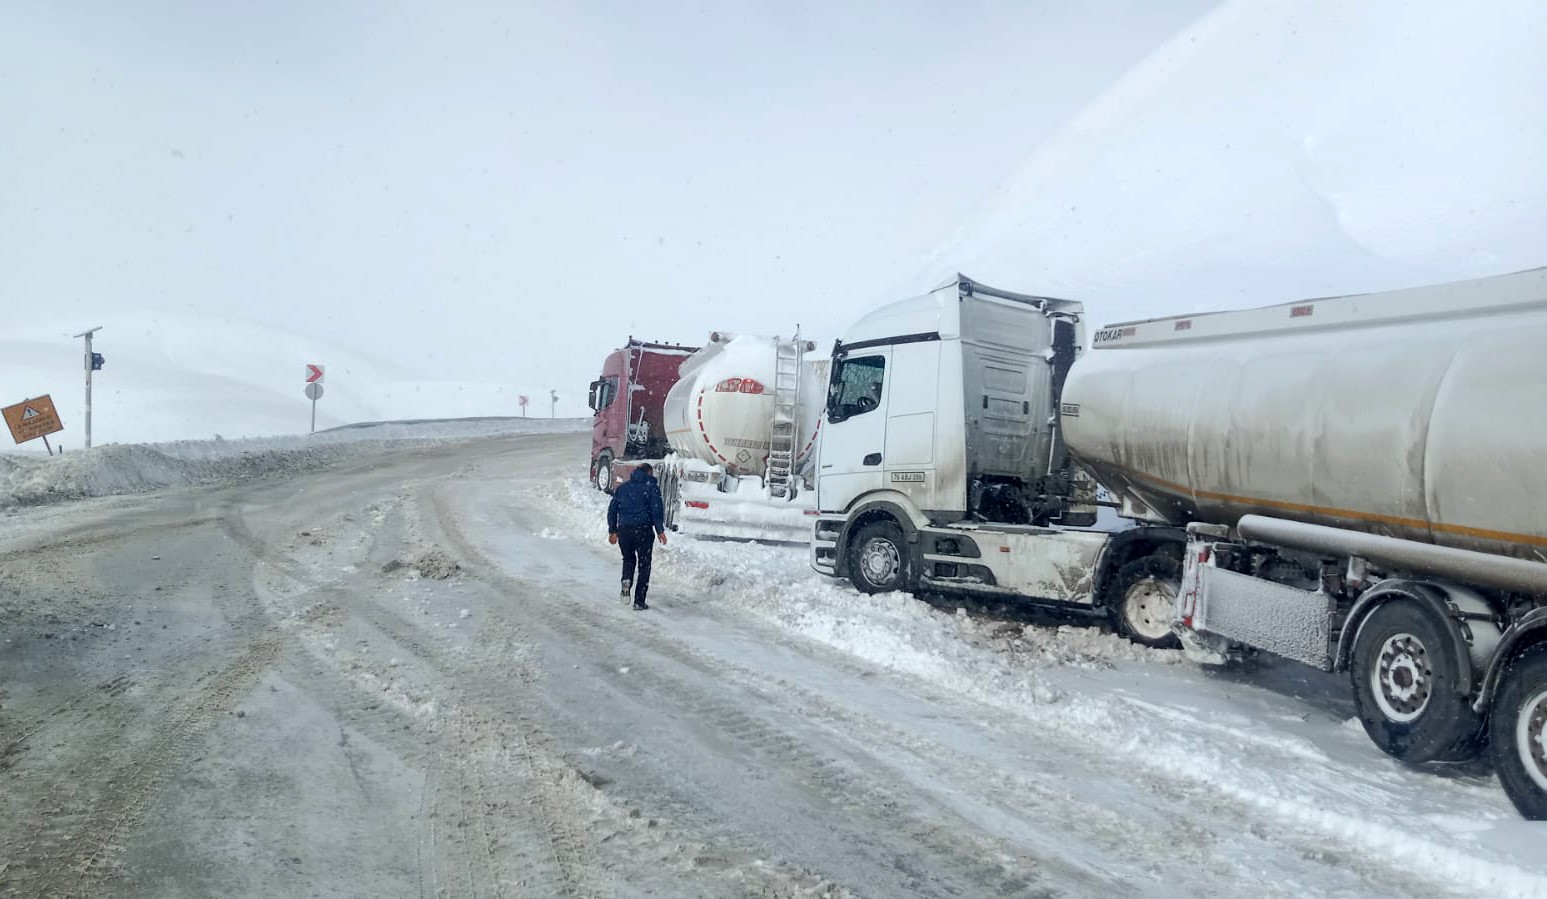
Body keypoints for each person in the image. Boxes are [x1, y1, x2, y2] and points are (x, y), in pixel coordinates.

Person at [607, 463, 667, 610]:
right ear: (649, 473)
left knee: (628, 559)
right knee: (644, 564)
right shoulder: (651, 488)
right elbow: (656, 510)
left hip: (624, 530)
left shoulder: (623, 488)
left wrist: (613, 530)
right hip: (643, 530)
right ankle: (639, 601)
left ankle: (626, 579)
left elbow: (612, 510)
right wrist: (660, 530)